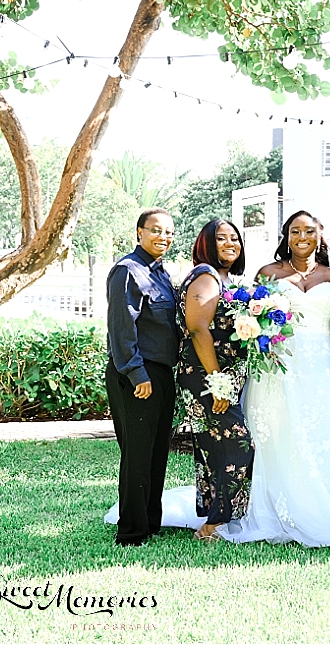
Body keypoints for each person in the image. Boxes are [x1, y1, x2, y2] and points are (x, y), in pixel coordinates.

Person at [217, 210, 330, 547]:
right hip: (279, 367)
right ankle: (285, 509)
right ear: (286, 236)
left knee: (328, 434)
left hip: (323, 369)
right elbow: (252, 320)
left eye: (309, 231)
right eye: (295, 231)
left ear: (319, 235)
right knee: (282, 437)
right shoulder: (268, 274)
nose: (302, 237)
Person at [176, 219, 254, 542]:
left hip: (219, 376)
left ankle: (215, 518)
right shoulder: (205, 277)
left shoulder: (225, 279)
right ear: (206, 243)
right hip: (206, 377)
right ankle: (212, 525)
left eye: (234, 238)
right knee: (239, 443)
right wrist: (218, 381)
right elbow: (198, 329)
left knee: (217, 447)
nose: (229, 244)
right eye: (221, 238)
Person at [105, 208, 179, 547]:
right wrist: (138, 374)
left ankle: (150, 523)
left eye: (169, 232)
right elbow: (122, 330)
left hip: (161, 373)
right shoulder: (127, 271)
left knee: (156, 452)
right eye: (155, 230)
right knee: (137, 453)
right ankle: (132, 532)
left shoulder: (161, 274)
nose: (163, 237)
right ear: (139, 232)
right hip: (138, 374)